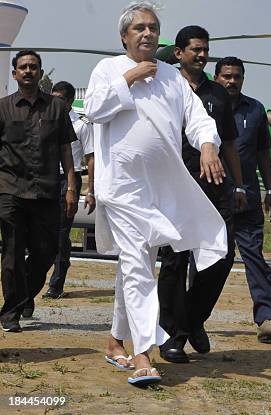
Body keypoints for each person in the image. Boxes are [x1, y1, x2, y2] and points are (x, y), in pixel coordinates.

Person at [84, 1, 227, 386]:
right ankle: (144, 355)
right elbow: (94, 110)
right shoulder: (109, 70)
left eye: (153, 27)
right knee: (138, 266)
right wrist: (129, 78)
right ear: (124, 36)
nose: (148, 33)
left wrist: (209, 145)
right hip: (121, 188)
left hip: (160, 190)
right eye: (139, 28)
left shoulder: (172, 78)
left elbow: (197, 118)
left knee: (137, 265)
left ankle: (116, 342)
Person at [157, 25, 246, 363]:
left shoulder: (218, 94)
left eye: (205, 49)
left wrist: (238, 185)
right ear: (178, 53)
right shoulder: (164, 89)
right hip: (175, 187)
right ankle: (171, 337)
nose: (202, 55)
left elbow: (230, 144)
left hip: (215, 187)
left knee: (221, 255)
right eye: (195, 49)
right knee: (175, 261)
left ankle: (192, 320)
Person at [215, 56, 271, 341]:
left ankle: (269, 318)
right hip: (212, 199)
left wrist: (270, 190)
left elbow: (263, 153)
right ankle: (190, 322)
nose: (232, 81)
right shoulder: (203, 106)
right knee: (210, 261)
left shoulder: (256, 110)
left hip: (247, 197)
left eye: (237, 76)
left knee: (254, 256)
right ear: (216, 78)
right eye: (226, 76)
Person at [0, 50, 78, 332]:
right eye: (23, 67)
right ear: (15, 74)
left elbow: (65, 149)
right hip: (10, 191)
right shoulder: (3, 108)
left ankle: (21, 298)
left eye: (34, 67)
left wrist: (71, 186)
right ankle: (11, 312)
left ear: (40, 72)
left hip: (46, 191)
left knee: (46, 252)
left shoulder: (56, 108)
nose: (29, 71)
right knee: (12, 253)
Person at [43, 81, 95, 300]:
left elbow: (91, 158)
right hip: (45, 179)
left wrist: (90, 190)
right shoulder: (46, 120)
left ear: (70, 101)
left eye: (59, 99)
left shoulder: (82, 124)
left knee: (62, 233)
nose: (55, 103)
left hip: (69, 180)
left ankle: (57, 282)